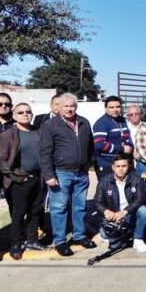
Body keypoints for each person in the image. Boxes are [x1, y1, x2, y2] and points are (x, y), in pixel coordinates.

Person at [39, 93, 96, 257]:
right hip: (61, 173)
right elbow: (45, 152)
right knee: (59, 208)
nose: (69, 109)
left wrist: (88, 163)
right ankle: (60, 241)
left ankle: (79, 236)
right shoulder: (50, 125)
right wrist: (49, 175)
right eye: (66, 106)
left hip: (81, 173)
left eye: (72, 106)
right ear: (59, 107)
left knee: (80, 206)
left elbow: (90, 146)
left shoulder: (84, 122)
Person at [0, 102, 47, 259]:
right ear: (14, 116)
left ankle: (32, 239)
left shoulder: (39, 132)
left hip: (39, 179)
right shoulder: (7, 135)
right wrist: (17, 177)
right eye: (21, 112)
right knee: (19, 213)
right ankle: (16, 244)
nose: (25, 114)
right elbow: (2, 161)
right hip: (20, 180)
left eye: (28, 112)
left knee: (36, 210)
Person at [94, 155, 146, 253]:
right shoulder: (104, 180)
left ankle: (138, 239)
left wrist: (124, 212)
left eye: (124, 166)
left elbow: (141, 199)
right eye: (118, 166)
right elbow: (97, 201)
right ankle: (122, 234)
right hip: (113, 217)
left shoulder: (136, 178)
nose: (121, 169)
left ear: (128, 166)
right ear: (113, 167)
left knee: (144, 211)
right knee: (107, 237)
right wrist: (106, 211)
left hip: (129, 214)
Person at [93, 95, 131, 179]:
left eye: (118, 107)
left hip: (122, 162)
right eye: (111, 107)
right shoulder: (101, 123)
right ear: (105, 108)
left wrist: (130, 146)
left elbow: (127, 137)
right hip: (106, 164)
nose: (115, 110)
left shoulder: (122, 120)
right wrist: (122, 149)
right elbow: (99, 144)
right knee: (108, 190)